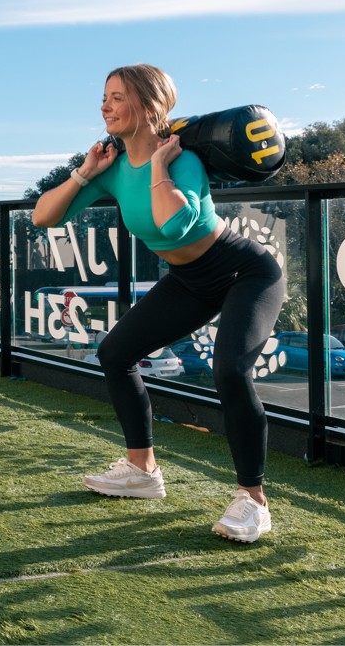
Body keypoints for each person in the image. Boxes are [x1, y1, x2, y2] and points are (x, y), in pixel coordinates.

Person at [32, 64, 285, 543]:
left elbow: (174, 224)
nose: (104, 106)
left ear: (150, 107)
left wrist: (158, 166)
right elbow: (43, 216)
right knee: (115, 353)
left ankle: (253, 501)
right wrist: (85, 173)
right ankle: (142, 470)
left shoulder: (182, 161)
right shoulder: (111, 169)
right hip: (190, 280)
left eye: (116, 97)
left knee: (230, 370)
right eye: (104, 97)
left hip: (245, 273)